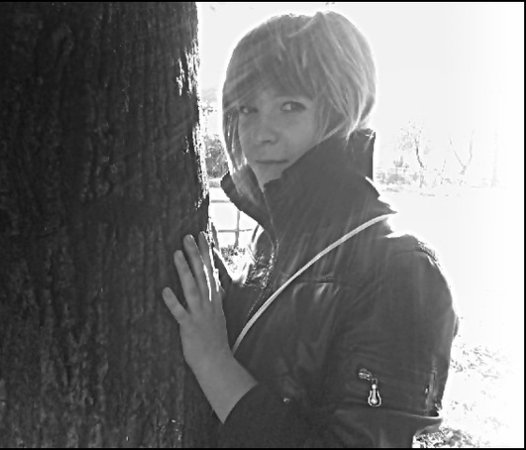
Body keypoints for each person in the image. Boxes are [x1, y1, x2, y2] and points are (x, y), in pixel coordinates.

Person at [162, 9, 458, 448]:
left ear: (342, 111)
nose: (260, 133)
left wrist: (212, 360)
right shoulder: (272, 242)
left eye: (290, 106)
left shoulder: (402, 270)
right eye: (246, 109)